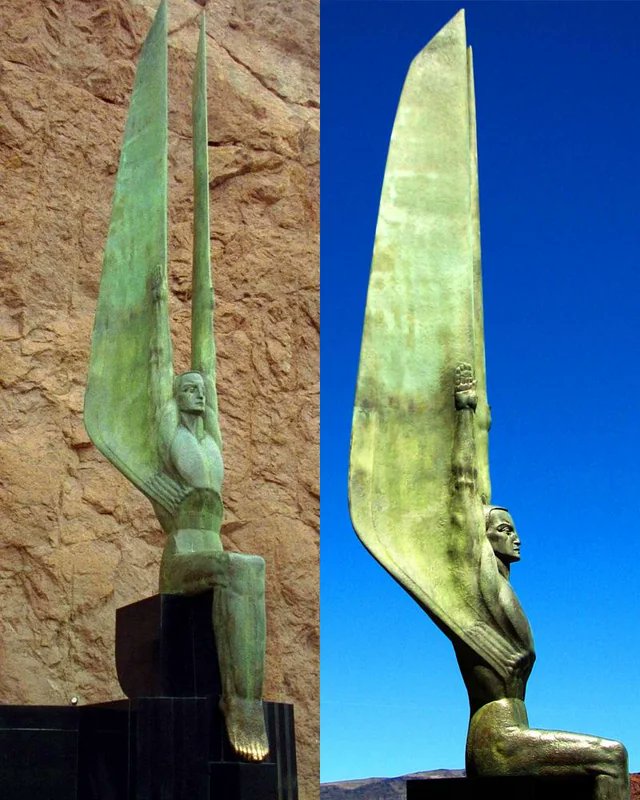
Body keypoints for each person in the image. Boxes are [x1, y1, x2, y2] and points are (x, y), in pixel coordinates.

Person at [451, 363, 629, 800]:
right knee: (613, 756)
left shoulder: (506, 594)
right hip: (496, 742)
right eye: (503, 529)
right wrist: (464, 414)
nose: (515, 535)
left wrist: (483, 423)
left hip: (514, 733)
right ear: (482, 538)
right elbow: (466, 489)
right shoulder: (476, 590)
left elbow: (483, 493)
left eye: (513, 528)